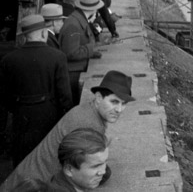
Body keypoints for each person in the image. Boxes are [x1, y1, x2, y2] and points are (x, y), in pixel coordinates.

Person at [0, 71, 134, 192]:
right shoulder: (89, 124)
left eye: (124, 103)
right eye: (114, 102)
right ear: (98, 97)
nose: (119, 109)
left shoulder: (86, 110)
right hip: (33, 185)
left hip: (26, 179)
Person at [0, 15, 72, 167]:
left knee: (22, 158)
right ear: (44, 33)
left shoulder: (8, 59)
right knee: (48, 158)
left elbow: (5, 97)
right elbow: (65, 95)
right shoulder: (58, 57)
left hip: (21, 115)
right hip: (49, 115)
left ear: (25, 36)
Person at [59, 0, 103, 107]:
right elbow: (70, 53)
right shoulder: (73, 24)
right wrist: (90, 49)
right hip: (73, 75)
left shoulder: (78, 19)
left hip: (76, 71)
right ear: (93, 9)